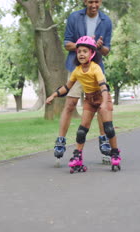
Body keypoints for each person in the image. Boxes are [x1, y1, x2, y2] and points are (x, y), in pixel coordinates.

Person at [46, 36, 121, 172]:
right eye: (79, 51)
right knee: (81, 131)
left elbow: (103, 87)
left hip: (102, 97)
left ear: (91, 53)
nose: (81, 54)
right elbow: (67, 87)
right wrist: (54, 95)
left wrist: (104, 103)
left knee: (108, 128)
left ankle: (115, 154)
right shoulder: (77, 71)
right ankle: (77, 157)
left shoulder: (95, 68)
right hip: (89, 100)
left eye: (85, 51)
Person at [54, 0, 113, 163]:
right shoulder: (74, 17)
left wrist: (98, 47)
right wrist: (85, 45)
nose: (93, 5)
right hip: (77, 68)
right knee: (70, 104)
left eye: (97, 1)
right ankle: (60, 141)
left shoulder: (106, 21)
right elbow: (67, 44)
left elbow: (107, 50)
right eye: (90, 1)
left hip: (96, 68)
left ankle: (104, 139)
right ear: (85, 2)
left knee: (102, 105)